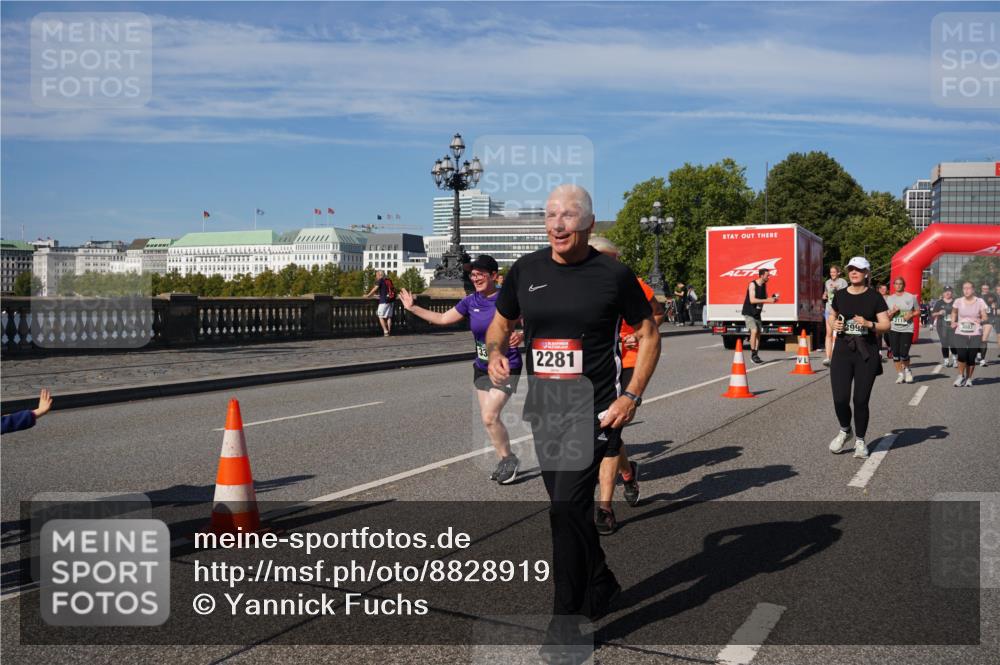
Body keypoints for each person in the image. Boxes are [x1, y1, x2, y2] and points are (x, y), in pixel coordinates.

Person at [486, 184, 660, 657]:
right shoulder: (526, 270)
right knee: (570, 513)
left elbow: (647, 334)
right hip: (546, 409)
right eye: (550, 215)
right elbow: (500, 324)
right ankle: (600, 581)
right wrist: (497, 352)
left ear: (586, 222)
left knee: (564, 510)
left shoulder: (613, 275)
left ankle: (568, 624)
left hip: (595, 409)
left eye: (567, 216)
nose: (557, 224)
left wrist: (631, 396)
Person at [398, 256, 524, 483]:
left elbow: (537, 319)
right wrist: (413, 307)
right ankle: (507, 459)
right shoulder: (470, 301)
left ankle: (509, 461)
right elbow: (443, 318)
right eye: (472, 274)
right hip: (481, 367)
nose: (475, 278)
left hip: (507, 366)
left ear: (494, 276)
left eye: (480, 274)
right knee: (490, 420)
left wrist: (523, 334)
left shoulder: (509, 298)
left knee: (489, 416)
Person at [588, 237, 664, 535]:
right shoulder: (577, 284)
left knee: (610, 425)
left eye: (605, 257)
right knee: (607, 428)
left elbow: (657, 312)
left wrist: (637, 333)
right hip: (595, 363)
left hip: (629, 357)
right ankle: (628, 474)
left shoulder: (628, 281)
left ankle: (604, 507)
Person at [827, 257, 890, 460]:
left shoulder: (874, 298)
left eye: (858, 269)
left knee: (860, 400)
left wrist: (868, 324)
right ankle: (846, 430)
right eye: (851, 269)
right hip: (842, 352)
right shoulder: (840, 295)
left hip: (866, 353)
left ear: (866, 273)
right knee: (840, 399)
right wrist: (834, 324)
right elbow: (831, 314)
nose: (854, 272)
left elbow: (886, 324)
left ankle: (860, 441)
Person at [950, 281, 989, 387]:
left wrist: (981, 320)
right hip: (960, 331)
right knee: (962, 355)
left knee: (971, 357)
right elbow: (954, 312)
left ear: (973, 289)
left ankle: (969, 378)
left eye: (968, 288)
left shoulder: (980, 301)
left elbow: (985, 316)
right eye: (964, 288)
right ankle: (960, 376)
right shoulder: (958, 301)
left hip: (975, 332)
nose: (966, 290)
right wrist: (953, 321)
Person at [884, 276, 918, 384]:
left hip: (907, 329)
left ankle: (907, 370)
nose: (898, 285)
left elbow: (918, 311)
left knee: (904, 353)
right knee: (895, 353)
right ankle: (900, 374)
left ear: (904, 285)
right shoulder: (889, 299)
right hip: (894, 328)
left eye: (900, 284)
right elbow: (887, 316)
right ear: (893, 286)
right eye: (896, 284)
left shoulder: (911, 297)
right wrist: (893, 312)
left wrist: (911, 314)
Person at [741, 268, 777, 365]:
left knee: (758, 334)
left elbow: (765, 298)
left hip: (757, 313)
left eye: (769, 275)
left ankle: (756, 354)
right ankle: (753, 354)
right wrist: (767, 300)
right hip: (749, 312)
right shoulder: (752, 284)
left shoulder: (764, 285)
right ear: (761, 275)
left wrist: (772, 298)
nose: (769, 277)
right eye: (767, 275)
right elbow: (752, 300)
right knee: (754, 330)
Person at [821, 265, 848, 367]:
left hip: (840, 310)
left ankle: (839, 356)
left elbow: (846, 295)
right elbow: (826, 293)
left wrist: (837, 290)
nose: (832, 274)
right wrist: (824, 295)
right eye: (831, 272)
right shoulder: (827, 282)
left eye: (834, 272)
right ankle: (828, 357)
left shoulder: (843, 282)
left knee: (839, 334)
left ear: (838, 273)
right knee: (829, 333)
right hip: (829, 309)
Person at [363, 270, 396, 337]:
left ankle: (385, 331)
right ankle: (389, 331)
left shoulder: (380, 280)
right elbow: (386, 291)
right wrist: (378, 295)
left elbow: (375, 288)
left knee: (380, 316)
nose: (376, 277)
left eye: (376, 275)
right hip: (391, 301)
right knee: (389, 317)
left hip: (384, 301)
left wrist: (368, 295)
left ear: (380, 275)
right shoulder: (388, 280)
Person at [930, 286, 957, 367]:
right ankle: (946, 360)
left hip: (953, 325)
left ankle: (955, 360)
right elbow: (933, 314)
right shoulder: (939, 303)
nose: (948, 293)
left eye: (949, 291)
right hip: (942, 325)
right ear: (943, 293)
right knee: (944, 343)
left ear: (952, 292)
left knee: (953, 343)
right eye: (946, 291)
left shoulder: (956, 302)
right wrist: (939, 313)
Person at [876, 283, 891, 362]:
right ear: (878, 289)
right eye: (881, 289)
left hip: (888, 318)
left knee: (887, 336)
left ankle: (889, 348)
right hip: (878, 318)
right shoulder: (875, 297)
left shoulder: (890, 298)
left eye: (885, 289)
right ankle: (879, 352)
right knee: (878, 336)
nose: (883, 290)